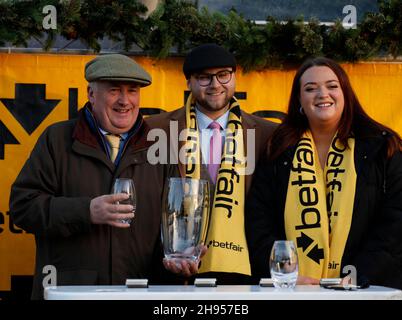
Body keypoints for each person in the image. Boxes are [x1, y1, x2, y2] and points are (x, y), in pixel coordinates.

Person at [9, 54, 172, 299]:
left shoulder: (159, 146)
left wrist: (177, 262)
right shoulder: (57, 139)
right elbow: (23, 207)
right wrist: (85, 211)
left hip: (139, 293)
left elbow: (172, 220)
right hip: (72, 293)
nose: (125, 101)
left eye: (133, 90)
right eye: (114, 90)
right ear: (91, 94)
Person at [245, 57, 402, 289]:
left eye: (332, 86)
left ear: (345, 94)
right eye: (310, 88)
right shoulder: (278, 150)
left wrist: (358, 275)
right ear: (299, 99)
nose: (322, 94)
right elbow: (259, 221)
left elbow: (395, 221)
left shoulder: (382, 147)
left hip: (368, 288)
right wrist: (282, 269)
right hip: (296, 289)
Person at [146, 43, 278, 284]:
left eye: (223, 75)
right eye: (204, 78)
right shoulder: (157, 128)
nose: (215, 84)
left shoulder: (268, 134)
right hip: (175, 274)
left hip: (246, 273)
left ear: (235, 77)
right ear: (189, 83)